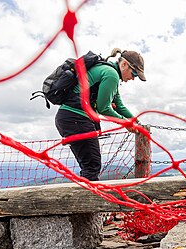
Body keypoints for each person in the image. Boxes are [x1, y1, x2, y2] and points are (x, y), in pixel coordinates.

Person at [55, 48, 146, 181]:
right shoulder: (111, 75)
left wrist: (137, 123)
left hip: (70, 118)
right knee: (91, 167)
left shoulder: (109, 72)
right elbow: (104, 108)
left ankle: (85, 198)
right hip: (76, 118)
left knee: (89, 166)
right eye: (134, 74)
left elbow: (119, 105)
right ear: (124, 64)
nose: (133, 78)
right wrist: (125, 123)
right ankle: (87, 200)